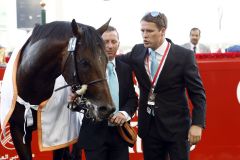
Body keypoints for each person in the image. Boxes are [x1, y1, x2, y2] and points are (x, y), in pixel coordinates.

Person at [119, 11, 206, 160]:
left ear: (163, 31)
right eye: (142, 30)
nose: (144, 35)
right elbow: (113, 61)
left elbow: (198, 94)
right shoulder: (137, 51)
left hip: (177, 128)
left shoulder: (184, 56)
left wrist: (197, 124)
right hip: (149, 129)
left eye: (150, 31)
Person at [77, 26, 138, 160]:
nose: (110, 46)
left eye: (113, 41)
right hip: (94, 136)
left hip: (120, 136)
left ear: (118, 44)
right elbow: (77, 102)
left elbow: (132, 99)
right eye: (106, 42)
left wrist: (124, 114)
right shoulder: (86, 69)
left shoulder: (125, 69)